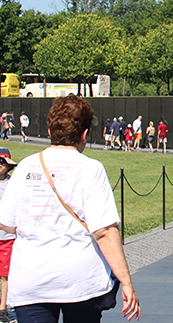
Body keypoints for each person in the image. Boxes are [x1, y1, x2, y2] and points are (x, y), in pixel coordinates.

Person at [0, 95, 140, 322]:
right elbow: (104, 231)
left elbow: (7, 222)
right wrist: (126, 281)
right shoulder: (90, 169)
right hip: (80, 280)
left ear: (49, 130)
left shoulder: (25, 165)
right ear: (84, 134)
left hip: (31, 278)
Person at [0, 147, 17, 323]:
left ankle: (2, 307)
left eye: (3, 162)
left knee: (5, 274)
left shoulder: (12, 184)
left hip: (6, 237)